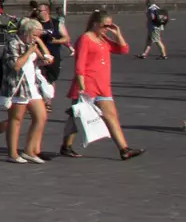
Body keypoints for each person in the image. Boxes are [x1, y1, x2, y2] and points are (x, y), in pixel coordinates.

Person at [59, 10, 142, 160]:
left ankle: (124, 149)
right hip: (88, 83)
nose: (107, 28)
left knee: (110, 115)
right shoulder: (85, 39)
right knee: (79, 116)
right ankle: (66, 146)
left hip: (103, 84)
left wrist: (117, 34)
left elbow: (123, 49)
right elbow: (80, 64)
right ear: (95, 23)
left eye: (110, 26)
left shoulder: (103, 39)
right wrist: (81, 86)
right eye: (105, 25)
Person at [0, 18, 52, 164]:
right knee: (15, 120)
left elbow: (45, 57)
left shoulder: (30, 42)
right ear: (27, 32)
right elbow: (16, 65)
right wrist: (29, 51)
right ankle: (12, 153)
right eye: (35, 35)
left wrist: (40, 45)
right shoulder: (14, 43)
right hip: (17, 85)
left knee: (41, 117)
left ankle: (29, 151)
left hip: (32, 85)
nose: (36, 38)